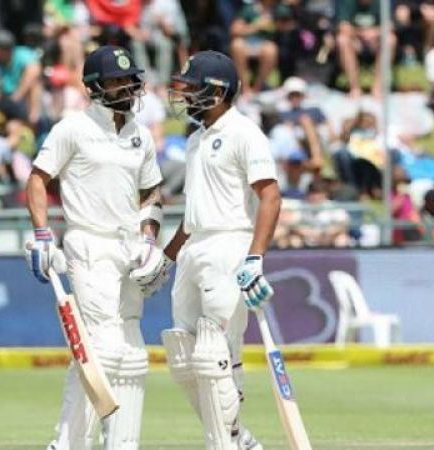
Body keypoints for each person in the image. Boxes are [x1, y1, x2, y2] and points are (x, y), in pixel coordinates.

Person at [24, 45, 164, 449]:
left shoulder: (139, 133)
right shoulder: (73, 129)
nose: (128, 86)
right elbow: (38, 179)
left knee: (132, 352)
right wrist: (43, 234)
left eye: (130, 78)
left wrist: (149, 238)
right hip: (88, 242)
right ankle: (68, 443)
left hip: (129, 248)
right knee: (100, 349)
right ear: (95, 86)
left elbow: (152, 190)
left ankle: (120, 442)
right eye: (119, 79)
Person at [159, 50, 281, 450]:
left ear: (217, 91)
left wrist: (254, 257)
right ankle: (235, 438)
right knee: (183, 356)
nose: (186, 95)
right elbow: (193, 214)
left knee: (218, 355)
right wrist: (166, 257)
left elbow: (270, 197)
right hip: (194, 248)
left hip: (229, 244)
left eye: (193, 87)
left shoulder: (245, 133)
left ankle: (224, 444)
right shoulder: (196, 139)